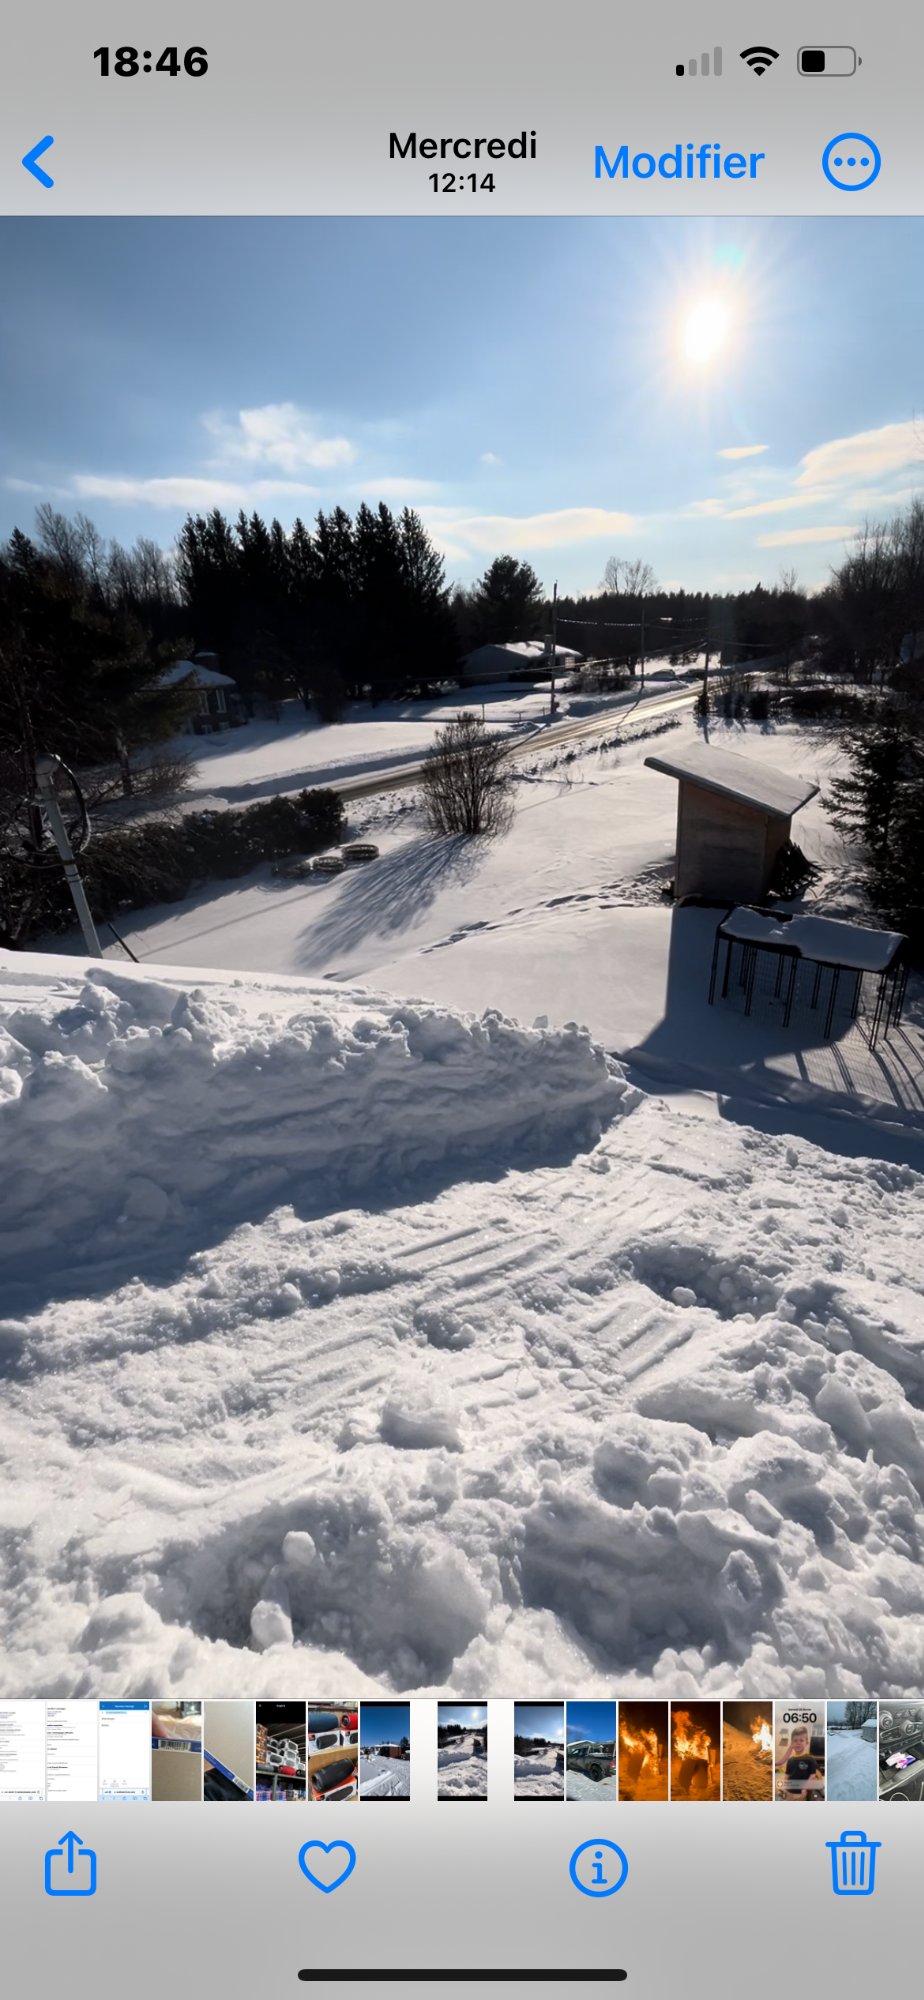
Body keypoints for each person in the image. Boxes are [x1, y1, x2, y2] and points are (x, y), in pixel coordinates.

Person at [781, 1725, 823, 1799]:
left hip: (801, 1793)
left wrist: (805, 1788)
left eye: (801, 1740)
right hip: (789, 1791)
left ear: (806, 1743)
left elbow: (812, 1776)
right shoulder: (790, 1760)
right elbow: (787, 1775)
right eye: (795, 1741)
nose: (798, 1743)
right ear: (792, 1743)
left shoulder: (810, 1759)